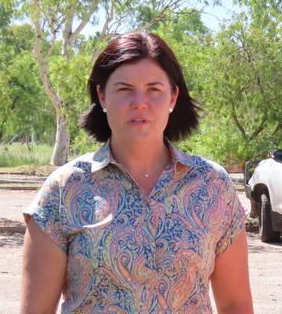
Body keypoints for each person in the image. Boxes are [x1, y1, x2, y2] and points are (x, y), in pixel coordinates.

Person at [20, 32, 253, 313]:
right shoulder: (63, 190)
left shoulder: (212, 185)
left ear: (173, 96)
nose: (140, 101)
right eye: (125, 88)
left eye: (154, 88)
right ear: (102, 95)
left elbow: (235, 303)